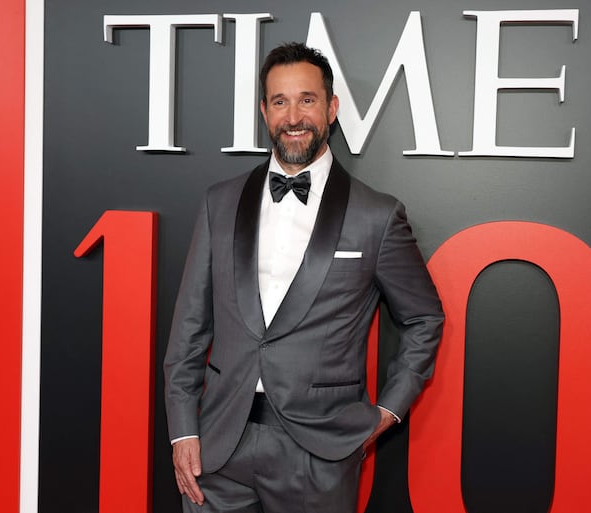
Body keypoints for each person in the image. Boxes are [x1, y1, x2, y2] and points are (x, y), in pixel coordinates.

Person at [164, 42, 444, 513]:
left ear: (331, 108)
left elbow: (424, 318)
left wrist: (388, 410)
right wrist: (183, 429)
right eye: (280, 101)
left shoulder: (376, 215)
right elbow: (189, 327)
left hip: (319, 455)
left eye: (307, 100)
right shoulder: (221, 202)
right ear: (264, 111)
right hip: (216, 447)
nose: (294, 116)